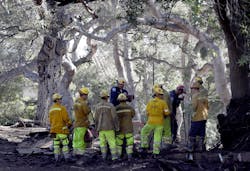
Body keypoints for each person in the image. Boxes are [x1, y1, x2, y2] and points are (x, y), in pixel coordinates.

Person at [140, 87, 170, 157]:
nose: (162, 96)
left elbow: (147, 113)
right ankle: (156, 152)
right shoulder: (163, 103)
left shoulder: (150, 103)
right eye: (161, 95)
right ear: (157, 95)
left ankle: (144, 147)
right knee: (157, 137)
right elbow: (167, 113)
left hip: (150, 122)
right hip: (159, 123)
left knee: (144, 132)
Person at [95, 90, 119, 161]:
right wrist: (117, 127)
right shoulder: (110, 105)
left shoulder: (97, 106)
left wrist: (96, 128)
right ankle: (114, 157)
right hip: (109, 127)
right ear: (107, 97)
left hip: (101, 128)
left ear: (101, 97)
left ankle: (103, 157)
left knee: (102, 143)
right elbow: (114, 117)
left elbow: (95, 118)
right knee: (112, 142)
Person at [49, 93, 73, 163]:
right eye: (60, 99)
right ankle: (67, 158)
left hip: (54, 131)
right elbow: (66, 119)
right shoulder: (62, 108)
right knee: (65, 144)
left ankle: (57, 158)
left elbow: (50, 121)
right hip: (62, 130)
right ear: (56, 100)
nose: (61, 100)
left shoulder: (51, 109)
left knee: (56, 145)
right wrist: (69, 124)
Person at [187, 82, 209, 152]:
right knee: (201, 134)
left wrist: (189, 109)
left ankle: (191, 149)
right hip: (204, 118)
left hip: (196, 118)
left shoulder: (195, 96)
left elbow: (194, 107)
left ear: (195, 89)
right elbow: (208, 107)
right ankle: (201, 148)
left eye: (192, 89)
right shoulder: (204, 96)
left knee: (192, 134)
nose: (192, 90)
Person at [115, 93, 135, 160]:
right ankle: (130, 157)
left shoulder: (116, 108)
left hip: (119, 129)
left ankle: (118, 157)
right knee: (129, 143)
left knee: (118, 144)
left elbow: (114, 117)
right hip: (128, 128)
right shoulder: (130, 108)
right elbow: (132, 115)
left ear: (119, 100)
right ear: (126, 100)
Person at [72, 87, 91, 157]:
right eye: (86, 95)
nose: (87, 96)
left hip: (76, 124)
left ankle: (75, 152)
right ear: (83, 95)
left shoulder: (76, 102)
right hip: (82, 124)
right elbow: (86, 112)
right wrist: (89, 107)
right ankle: (80, 154)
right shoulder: (83, 103)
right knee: (80, 140)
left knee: (76, 139)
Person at [153, 84, 172, 149]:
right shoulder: (164, 93)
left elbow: (165, 105)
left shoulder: (165, 95)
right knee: (163, 130)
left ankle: (166, 146)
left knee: (166, 131)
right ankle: (162, 145)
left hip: (165, 115)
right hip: (162, 115)